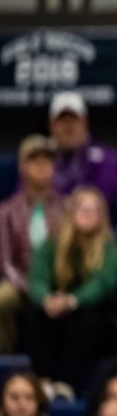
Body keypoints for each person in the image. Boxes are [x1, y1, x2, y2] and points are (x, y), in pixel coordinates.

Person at [26, 186, 117, 393]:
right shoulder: (50, 244)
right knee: (37, 316)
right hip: (55, 306)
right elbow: (37, 279)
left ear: (102, 216)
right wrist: (46, 300)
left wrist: (72, 300)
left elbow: (103, 283)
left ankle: (68, 385)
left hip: (95, 310)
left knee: (84, 319)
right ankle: (45, 382)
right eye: (82, 207)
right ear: (70, 212)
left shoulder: (109, 247)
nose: (87, 213)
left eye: (93, 209)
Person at [0, 135, 63, 352]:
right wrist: (32, 289)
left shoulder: (68, 207)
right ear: (22, 167)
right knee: (2, 298)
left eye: (47, 160)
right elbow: (6, 263)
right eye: (34, 160)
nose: (42, 166)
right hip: (21, 283)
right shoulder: (6, 212)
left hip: (59, 282)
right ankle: (5, 358)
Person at [47, 91, 117, 207]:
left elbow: (103, 198)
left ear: (85, 122)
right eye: (62, 120)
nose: (68, 127)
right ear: (51, 125)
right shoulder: (40, 155)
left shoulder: (104, 157)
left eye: (74, 120)